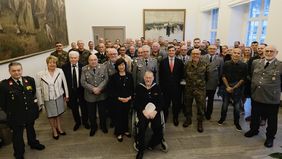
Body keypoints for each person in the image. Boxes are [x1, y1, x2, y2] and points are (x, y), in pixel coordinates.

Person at [0, 62, 45, 159]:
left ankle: (33, 143)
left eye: (18, 70)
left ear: (22, 70)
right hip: (16, 115)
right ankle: (19, 152)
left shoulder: (29, 80)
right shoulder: (4, 85)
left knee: (31, 129)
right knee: (17, 135)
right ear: (9, 71)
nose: (17, 73)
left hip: (29, 111)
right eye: (14, 71)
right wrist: (10, 112)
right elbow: (2, 103)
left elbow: (32, 94)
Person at [245, 45, 282, 148]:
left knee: (272, 119)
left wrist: (274, 91)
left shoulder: (280, 65)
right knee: (255, 115)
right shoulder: (256, 62)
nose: (269, 53)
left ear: (276, 53)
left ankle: (270, 137)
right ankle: (253, 130)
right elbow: (253, 75)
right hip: (256, 95)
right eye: (267, 51)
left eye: (271, 51)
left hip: (271, 98)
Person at [134, 71, 168, 159]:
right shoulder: (139, 87)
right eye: (146, 77)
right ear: (144, 78)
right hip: (143, 112)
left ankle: (151, 144)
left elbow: (161, 102)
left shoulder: (157, 87)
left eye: (150, 78)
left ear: (153, 78)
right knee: (141, 127)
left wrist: (156, 111)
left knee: (158, 127)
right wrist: (143, 110)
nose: (148, 79)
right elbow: (136, 102)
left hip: (154, 112)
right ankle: (141, 150)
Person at [36, 55, 69, 140]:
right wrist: (40, 102)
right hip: (48, 98)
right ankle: (54, 130)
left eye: (54, 62)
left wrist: (67, 95)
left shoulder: (60, 71)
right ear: (47, 63)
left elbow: (64, 83)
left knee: (58, 113)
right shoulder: (40, 74)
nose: (52, 64)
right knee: (51, 115)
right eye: (50, 62)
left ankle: (59, 128)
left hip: (59, 96)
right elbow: (38, 89)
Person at [218, 48, 247, 131]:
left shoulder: (244, 65)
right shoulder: (226, 63)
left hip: (237, 88)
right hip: (226, 87)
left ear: (241, 55)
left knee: (237, 107)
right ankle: (222, 119)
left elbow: (243, 78)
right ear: (232, 54)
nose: (236, 54)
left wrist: (234, 88)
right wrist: (227, 87)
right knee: (224, 105)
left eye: (238, 53)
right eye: (235, 53)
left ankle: (236, 122)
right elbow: (223, 76)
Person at [81, 55, 108, 136]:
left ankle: (103, 126)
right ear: (88, 61)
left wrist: (99, 88)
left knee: (102, 112)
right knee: (91, 113)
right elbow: (83, 82)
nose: (93, 61)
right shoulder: (84, 69)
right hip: (90, 95)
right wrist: (93, 89)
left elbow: (106, 79)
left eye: (95, 60)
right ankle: (93, 127)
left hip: (101, 94)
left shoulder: (103, 67)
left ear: (97, 60)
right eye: (91, 60)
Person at [62, 51, 90, 131]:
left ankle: (85, 122)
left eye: (75, 58)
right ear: (69, 58)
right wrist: (65, 94)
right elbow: (63, 81)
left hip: (81, 90)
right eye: (71, 58)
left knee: (84, 107)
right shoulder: (64, 67)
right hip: (71, 91)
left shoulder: (83, 66)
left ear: (78, 58)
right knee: (74, 108)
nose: (73, 59)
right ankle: (77, 122)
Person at [107, 58, 134, 142]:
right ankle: (119, 133)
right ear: (117, 66)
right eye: (119, 65)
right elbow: (110, 90)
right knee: (118, 116)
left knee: (126, 116)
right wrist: (119, 98)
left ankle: (125, 130)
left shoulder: (129, 75)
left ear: (125, 65)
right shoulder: (113, 77)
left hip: (127, 100)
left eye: (123, 65)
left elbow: (132, 88)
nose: (121, 67)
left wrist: (129, 97)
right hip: (117, 100)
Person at [183, 49, 207, 132]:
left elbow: (207, 76)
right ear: (191, 55)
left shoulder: (205, 64)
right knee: (187, 105)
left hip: (200, 89)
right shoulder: (187, 64)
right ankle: (188, 119)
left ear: (200, 55)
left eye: (197, 54)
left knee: (201, 106)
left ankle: (200, 122)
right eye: (193, 54)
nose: (195, 55)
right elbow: (184, 75)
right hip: (189, 88)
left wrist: (201, 84)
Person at [159, 46, 184, 126]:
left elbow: (182, 74)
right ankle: (165, 117)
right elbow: (160, 75)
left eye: (173, 50)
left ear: (175, 51)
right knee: (166, 104)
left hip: (176, 87)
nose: (171, 52)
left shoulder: (179, 62)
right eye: (169, 51)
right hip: (165, 87)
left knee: (176, 104)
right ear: (167, 52)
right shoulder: (163, 62)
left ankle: (175, 117)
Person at [201, 45, 224, 120]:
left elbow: (221, 72)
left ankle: (208, 114)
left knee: (211, 100)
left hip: (213, 83)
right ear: (207, 49)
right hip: (203, 82)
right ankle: (202, 112)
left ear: (216, 50)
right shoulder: (202, 57)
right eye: (210, 48)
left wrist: (217, 81)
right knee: (202, 99)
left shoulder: (220, 59)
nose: (212, 50)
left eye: (214, 49)